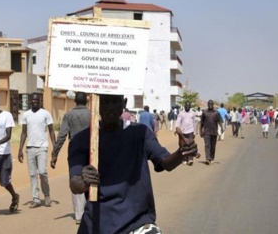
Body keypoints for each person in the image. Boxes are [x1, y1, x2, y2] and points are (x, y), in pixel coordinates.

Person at [68, 94, 198, 234]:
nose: (110, 107)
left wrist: (181, 153)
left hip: (137, 223)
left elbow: (165, 163)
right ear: (97, 104)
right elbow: (75, 185)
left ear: (123, 103)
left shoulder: (140, 133)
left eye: (115, 101)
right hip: (97, 224)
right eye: (105, 102)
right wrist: (83, 180)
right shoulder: (82, 140)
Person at [50, 92, 90, 224]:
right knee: (92, 177)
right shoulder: (92, 114)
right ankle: (91, 210)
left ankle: (79, 215)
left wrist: (55, 154)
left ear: (75, 101)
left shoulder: (69, 115)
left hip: (75, 151)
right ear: (86, 100)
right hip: (92, 149)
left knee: (76, 178)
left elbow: (62, 135)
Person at [18, 93, 56, 208]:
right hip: (30, 148)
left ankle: (47, 194)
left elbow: (51, 131)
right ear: (30, 101)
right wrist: (20, 149)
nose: (34, 101)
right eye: (33, 100)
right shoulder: (26, 115)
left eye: (37, 100)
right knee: (33, 174)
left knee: (43, 172)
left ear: (40, 101)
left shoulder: (45, 114)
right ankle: (36, 198)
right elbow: (24, 132)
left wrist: (55, 147)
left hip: (42, 147)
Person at [200, 100, 224, 165]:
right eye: (209, 104)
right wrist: (200, 131)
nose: (210, 105)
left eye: (211, 104)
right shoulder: (204, 112)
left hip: (214, 132)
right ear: (207, 104)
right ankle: (207, 158)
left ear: (213, 104)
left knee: (213, 146)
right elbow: (201, 123)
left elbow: (220, 121)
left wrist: (222, 128)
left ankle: (212, 158)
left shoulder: (216, 113)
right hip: (206, 132)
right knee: (207, 145)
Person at [175, 101, 196, 165]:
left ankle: (190, 159)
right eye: (186, 106)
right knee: (183, 146)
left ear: (190, 106)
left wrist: (194, 132)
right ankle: (184, 159)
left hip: (190, 131)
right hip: (183, 132)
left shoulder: (192, 113)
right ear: (184, 106)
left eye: (188, 106)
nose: (187, 107)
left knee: (191, 145)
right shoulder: (181, 113)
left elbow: (194, 123)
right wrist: (177, 129)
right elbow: (178, 122)